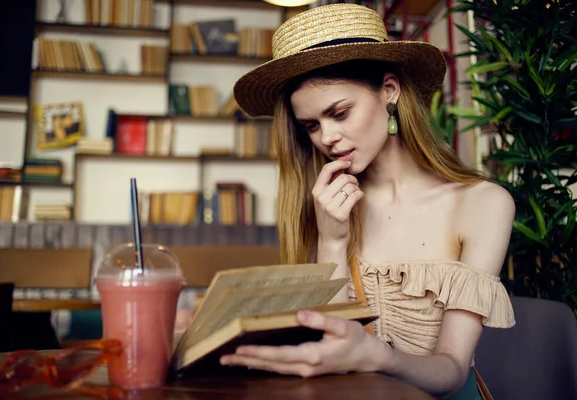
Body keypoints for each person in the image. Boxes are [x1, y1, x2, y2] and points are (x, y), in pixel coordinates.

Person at [221, 4, 516, 400]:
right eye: (312, 125)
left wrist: (375, 355)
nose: (326, 137)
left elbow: (450, 371)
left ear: (389, 92)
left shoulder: (484, 203)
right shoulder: (327, 206)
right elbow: (332, 361)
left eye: (339, 113)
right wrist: (332, 241)